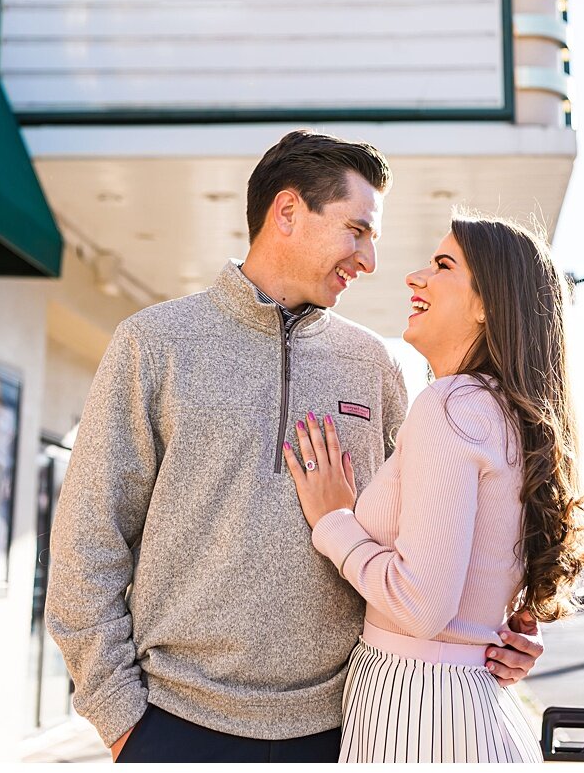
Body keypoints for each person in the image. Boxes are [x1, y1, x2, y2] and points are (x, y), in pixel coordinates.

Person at [44, 130, 545, 763]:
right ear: (287, 213)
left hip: (348, 728)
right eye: (356, 231)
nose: (368, 261)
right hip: (172, 723)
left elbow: (430, 540)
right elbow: (88, 537)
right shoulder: (155, 343)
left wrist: (495, 632)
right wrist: (120, 717)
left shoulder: (376, 366)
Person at [287, 214, 584, 762]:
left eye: (442, 265)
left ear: (490, 303)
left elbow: (420, 606)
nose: (415, 277)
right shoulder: (503, 414)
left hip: (421, 711)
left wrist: (332, 522)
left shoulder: (451, 405)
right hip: (454, 707)